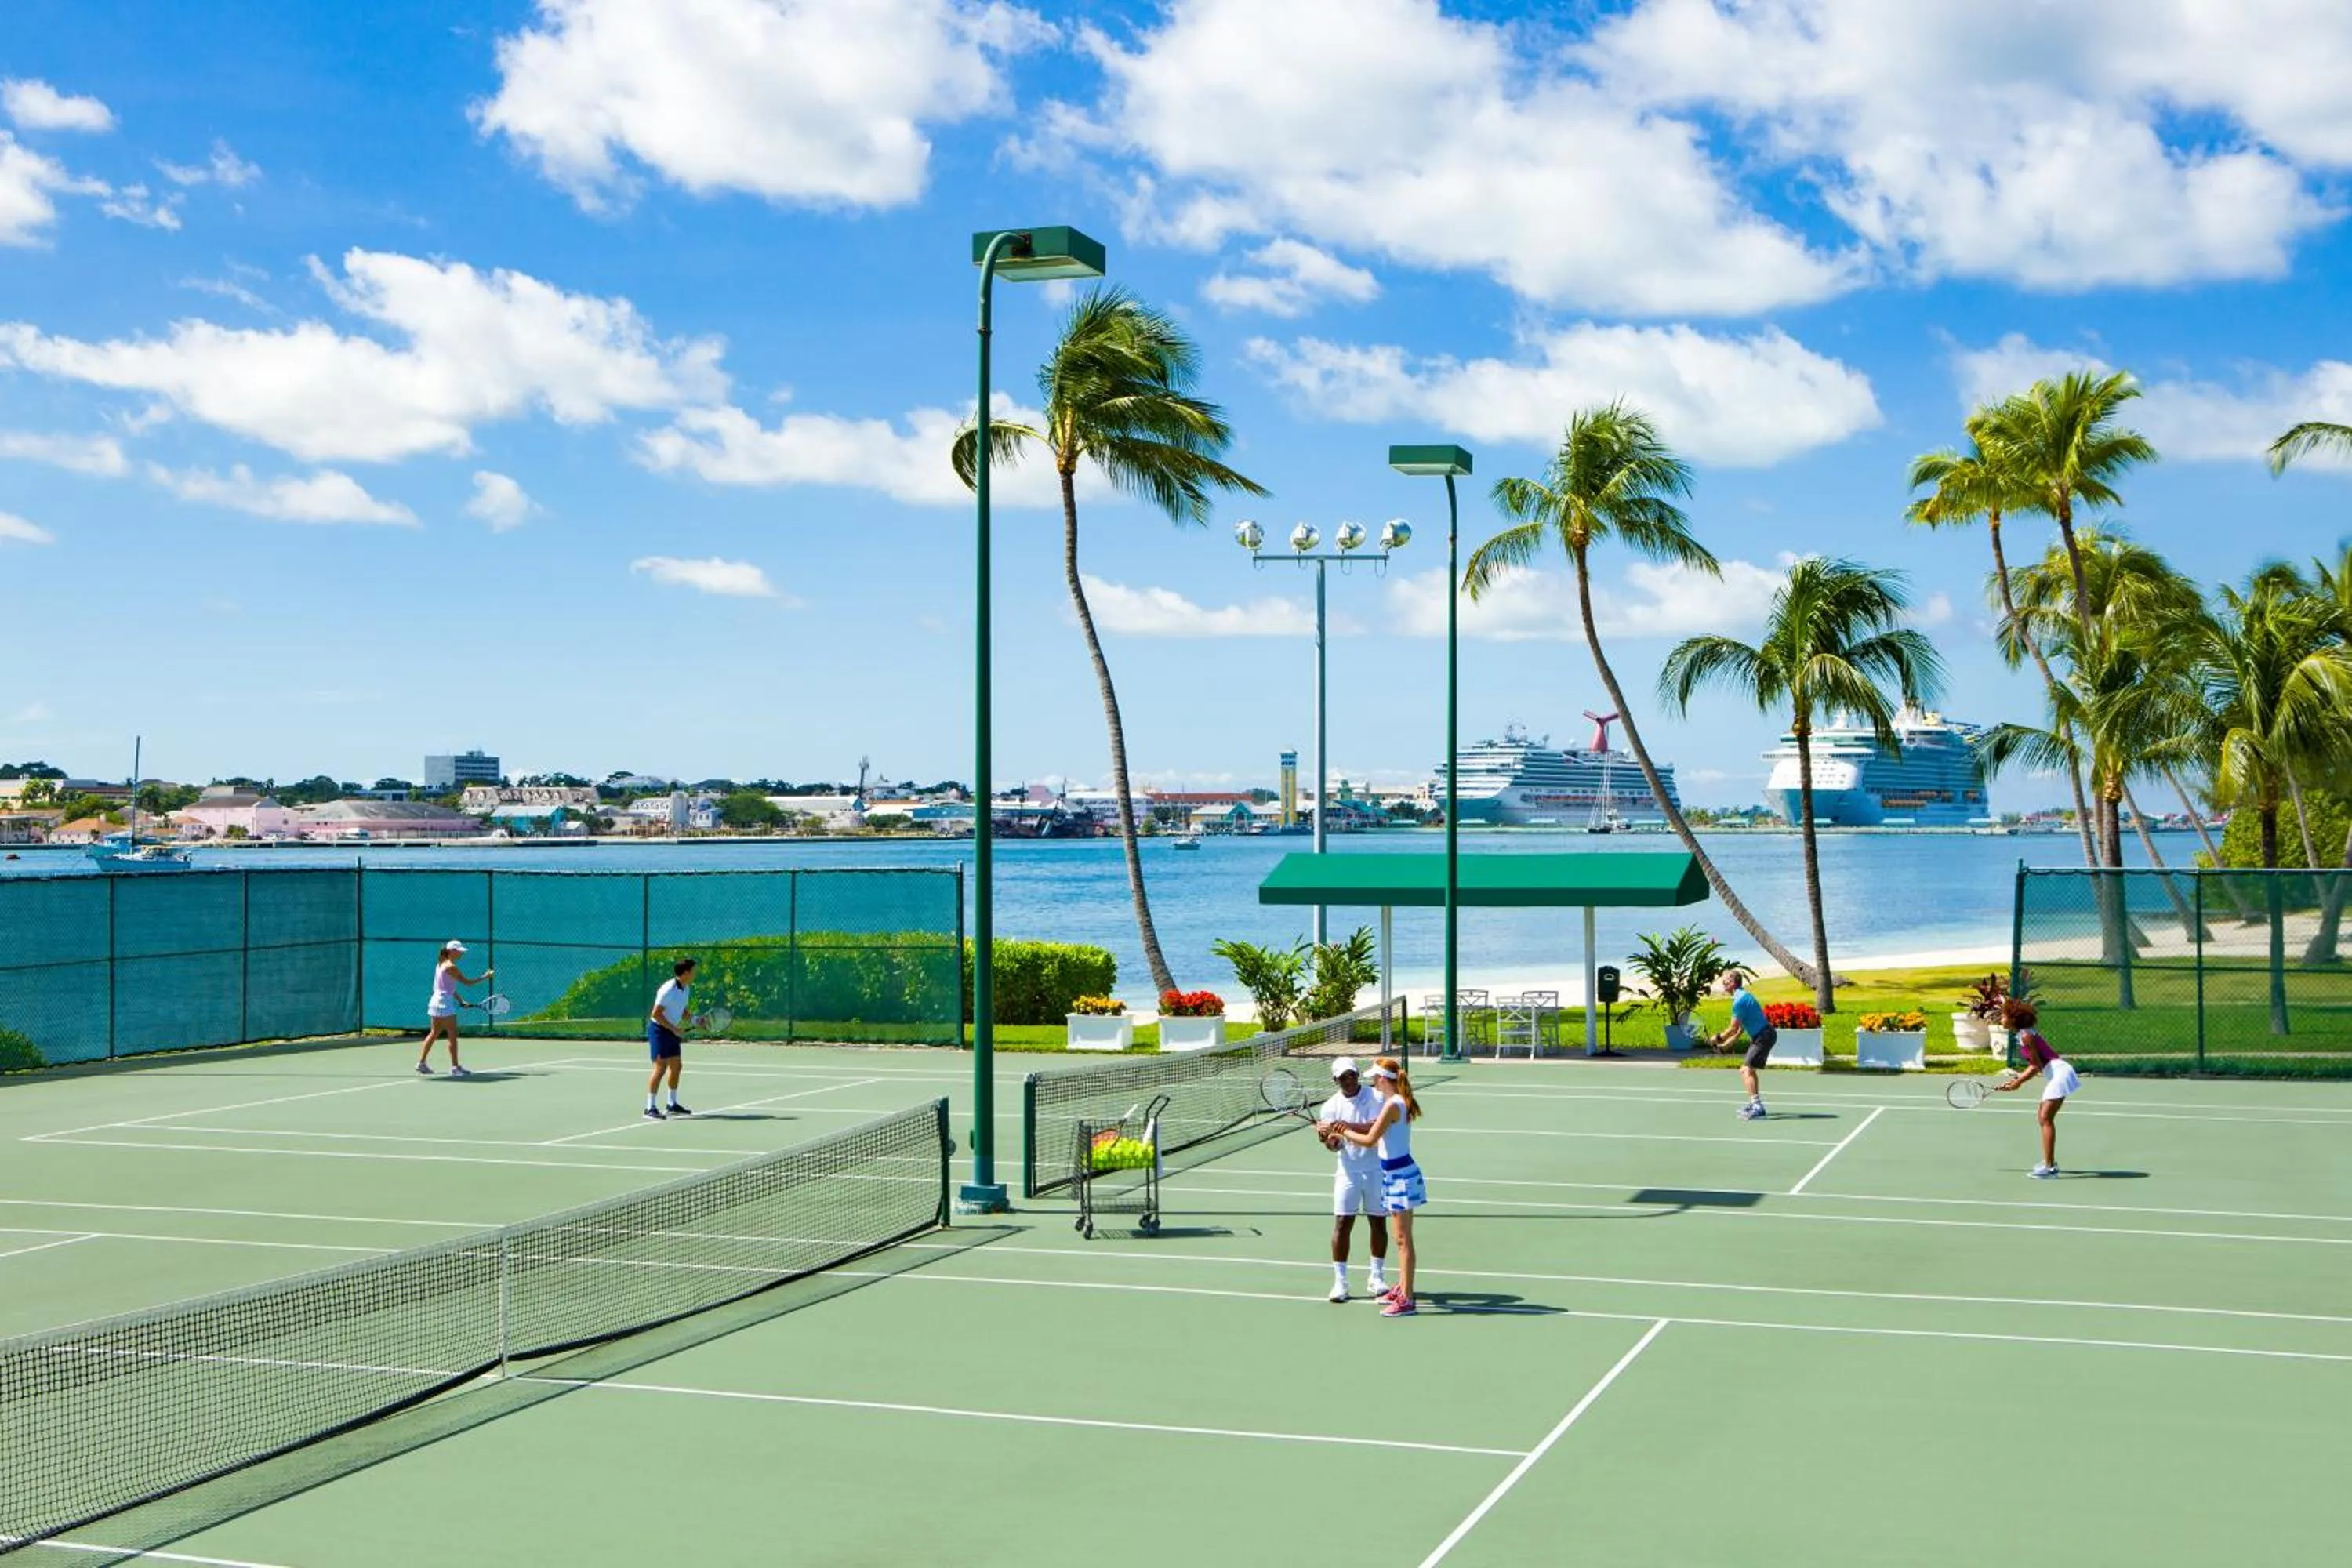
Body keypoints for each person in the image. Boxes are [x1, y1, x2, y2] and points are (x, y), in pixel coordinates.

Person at [1322, 1057, 1423, 1318]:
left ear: (1381, 1079)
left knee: (1403, 1240)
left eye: (1371, 1077)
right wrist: (1334, 1135)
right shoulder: (1395, 1102)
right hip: (1394, 1173)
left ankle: (1407, 1299)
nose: (1366, 1081)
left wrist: (1341, 1129)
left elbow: (1369, 1140)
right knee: (1402, 1239)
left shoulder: (1391, 1104)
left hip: (1399, 1174)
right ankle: (1403, 1288)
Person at [1316, 1057, 1389, 1304]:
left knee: (1378, 1223)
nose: (1348, 1081)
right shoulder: (1329, 1108)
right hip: (1347, 1172)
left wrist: (1344, 1126)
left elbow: (1373, 1129)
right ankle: (1340, 1282)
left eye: (1351, 1075)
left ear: (1358, 1075)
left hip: (1376, 1170)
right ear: (1334, 1080)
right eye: (1342, 1078)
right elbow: (1334, 1146)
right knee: (1342, 1224)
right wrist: (1330, 1141)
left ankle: (1376, 1277)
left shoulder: (1377, 1098)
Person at [1995, 998, 2078, 1178]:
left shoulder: (2026, 1036)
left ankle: (2050, 1168)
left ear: (2013, 1018)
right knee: (2043, 1118)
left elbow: (2036, 1066)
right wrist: (2017, 1080)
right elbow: (2036, 1065)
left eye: (2003, 1015)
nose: (2000, 1019)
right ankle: (2049, 1162)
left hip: (2059, 1074)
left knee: (2045, 1118)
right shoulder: (2024, 1034)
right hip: (2057, 1073)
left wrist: (2018, 1082)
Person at [1706, 971, 1774, 1120]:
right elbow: (1739, 1032)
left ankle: (1757, 1107)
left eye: (1726, 980)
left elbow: (1732, 1029)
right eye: (1723, 980)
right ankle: (1754, 1103)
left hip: (1763, 1036)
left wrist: (1716, 1038)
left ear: (1734, 983)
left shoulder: (1740, 1001)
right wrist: (1724, 1046)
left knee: (1746, 1070)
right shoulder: (1743, 996)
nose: (1723, 982)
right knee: (1749, 1070)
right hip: (1762, 1035)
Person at [418, 940, 491, 1078]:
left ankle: (422, 1063)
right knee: (452, 1036)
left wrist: (461, 1000)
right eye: (459, 951)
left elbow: (447, 988)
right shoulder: (451, 967)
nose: (461, 953)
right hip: (444, 1004)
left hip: (435, 1002)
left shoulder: (440, 964)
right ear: (451, 951)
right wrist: (485, 977)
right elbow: (468, 983)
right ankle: (455, 1068)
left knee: (434, 1033)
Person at [644, 956, 698, 1119]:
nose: (696, 974)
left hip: (671, 1031)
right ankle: (649, 1108)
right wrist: (675, 1029)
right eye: (693, 971)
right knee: (660, 1068)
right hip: (659, 1030)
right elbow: (656, 1014)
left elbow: (682, 1010)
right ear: (685, 972)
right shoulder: (668, 989)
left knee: (676, 1067)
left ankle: (672, 1104)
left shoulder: (686, 987)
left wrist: (695, 1020)